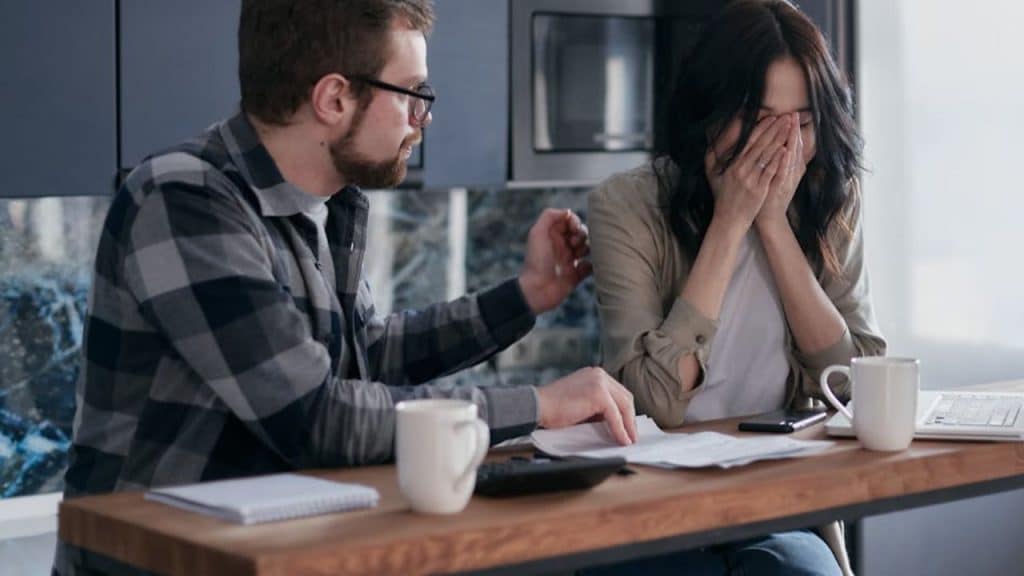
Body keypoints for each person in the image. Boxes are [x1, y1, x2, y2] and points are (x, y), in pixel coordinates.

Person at [54, 1, 637, 573]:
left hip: (279, 549)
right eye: (414, 94)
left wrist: (526, 295)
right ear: (334, 98)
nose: (424, 119)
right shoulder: (183, 200)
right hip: (159, 561)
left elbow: (364, 355)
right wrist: (540, 406)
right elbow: (315, 416)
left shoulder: (329, 204)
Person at [586, 0, 886, 574]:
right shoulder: (624, 206)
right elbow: (653, 403)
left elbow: (856, 384)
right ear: (710, 115)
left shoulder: (830, 200)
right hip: (653, 499)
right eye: (759, 122)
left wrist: (772, 225)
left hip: (782, 498)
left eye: (801, 123)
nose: (783, 148)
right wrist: (730, 222)